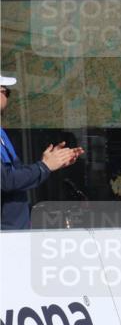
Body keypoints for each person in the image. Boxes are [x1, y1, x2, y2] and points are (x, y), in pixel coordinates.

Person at [1, 74, 84, 230]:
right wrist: (44, 166)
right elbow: (5, 181)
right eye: (5, 91)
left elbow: (16, 177)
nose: (7, 97)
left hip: (15, 231)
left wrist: (51, 162)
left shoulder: (1, 133)